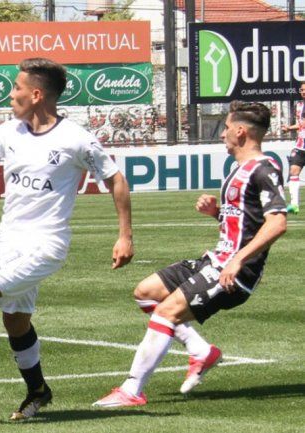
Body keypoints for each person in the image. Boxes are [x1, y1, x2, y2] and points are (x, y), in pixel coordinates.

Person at [0, 57, 134, 420]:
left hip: (45, 245)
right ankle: (38, 390)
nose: (11, 95)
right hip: (9, 240)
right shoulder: (9, 132)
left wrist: (125, 236)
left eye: (17, 88)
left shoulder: (75, 139)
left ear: (37, 95)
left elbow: (115, 179)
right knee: (15, 321)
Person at [94, 101, 287, 408]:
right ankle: (201, 351)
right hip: (216, 260)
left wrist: (239, 260)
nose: (222, 134)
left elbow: (277, 223)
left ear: (240, 131)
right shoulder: (240, 169)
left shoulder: (264, 169)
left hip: (236, 272)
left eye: (226, 128)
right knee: (146, 292)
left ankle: (132, 389)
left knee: (165, 312)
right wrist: (217, 214)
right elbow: (245, 223)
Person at [281, 82, 305, 214]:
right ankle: (294, 205)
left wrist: (290, 127)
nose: (303, 92)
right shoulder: (299, 105)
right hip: (300, 146)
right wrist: (289, 128)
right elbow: (300, 124)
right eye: (302, 90)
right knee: (294, 171)